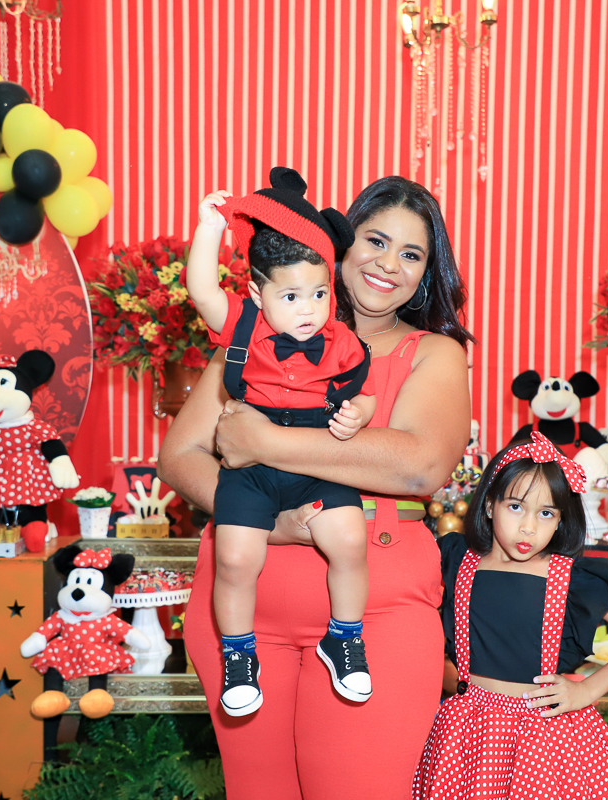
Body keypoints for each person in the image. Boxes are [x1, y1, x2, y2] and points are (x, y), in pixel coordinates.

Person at [159, 175, 473, 799]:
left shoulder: (432, 353)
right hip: (243, 609)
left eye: (411, 254)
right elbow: (179, 457)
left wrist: (265, 442)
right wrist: (269, 521)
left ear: (424, 275)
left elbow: (419, 466)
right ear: (338, 246)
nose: (389, 263)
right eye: (375, 241)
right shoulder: (259, 332)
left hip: (378, 613)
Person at [185, 167, 377, 716]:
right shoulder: (242, 326)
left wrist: (358, 415)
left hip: (316, 464)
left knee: (350, 540)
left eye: (319, 293)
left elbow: (361, 393)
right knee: (235, 558)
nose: (308, 309)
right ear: (257, 293)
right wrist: (209, 228)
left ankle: (345, 637)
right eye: (290, 296)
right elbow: (201, 290)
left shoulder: (340, 340)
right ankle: (238, 654)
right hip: (250, 470)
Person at [414, 431, 608, 800]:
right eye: (516, 507)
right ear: (489, 505)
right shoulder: (457, 560)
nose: (528, 527)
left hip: (543, 738)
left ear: (560, 520)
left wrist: (588, 690)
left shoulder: (568, 580)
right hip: (466, 735)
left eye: (546, 513)